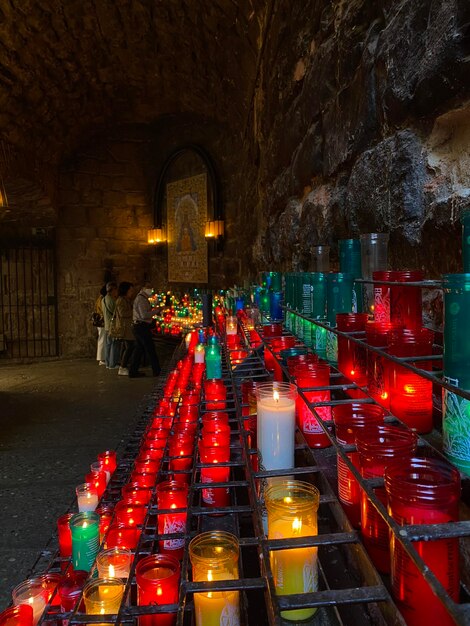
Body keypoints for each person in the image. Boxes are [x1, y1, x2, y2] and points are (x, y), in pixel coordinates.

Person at [128, 282, 161, 378]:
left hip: (139, 326)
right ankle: (157, 370)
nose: (151, 291)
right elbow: (144, 315)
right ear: (143, 289)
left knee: (139, 349)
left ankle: (133, 371)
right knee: (150, 348)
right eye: (149, 288)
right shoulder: (141, 299)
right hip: (141, 327)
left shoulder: (143, 298)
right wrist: (157, 311)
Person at [112, 281, 135, 376]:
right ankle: (122, 367)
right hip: (125, 328)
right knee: (129, 347)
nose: (132, 292)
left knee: (126, 347)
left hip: (127, 327)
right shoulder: (121, 300)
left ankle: (123, 365)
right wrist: (134, 311)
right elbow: (122, 313)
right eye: (130, 290)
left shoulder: (125, 300)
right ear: (126, 290)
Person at [102, 281, 118, 369]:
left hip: (107, 325)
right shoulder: (111, 300)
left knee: (108, 345)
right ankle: (112, 364)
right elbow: (115, 312)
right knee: (114, 345)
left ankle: (108, 363)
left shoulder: (103, 299)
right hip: (112, 325)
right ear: (113, 290)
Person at [95, 285, 107, 365]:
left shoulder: (99, 299)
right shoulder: (102, 299)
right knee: (102, 340)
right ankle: (101, 359)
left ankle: (102, 358)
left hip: (100, 321)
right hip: (102, 321)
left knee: (102, 339)